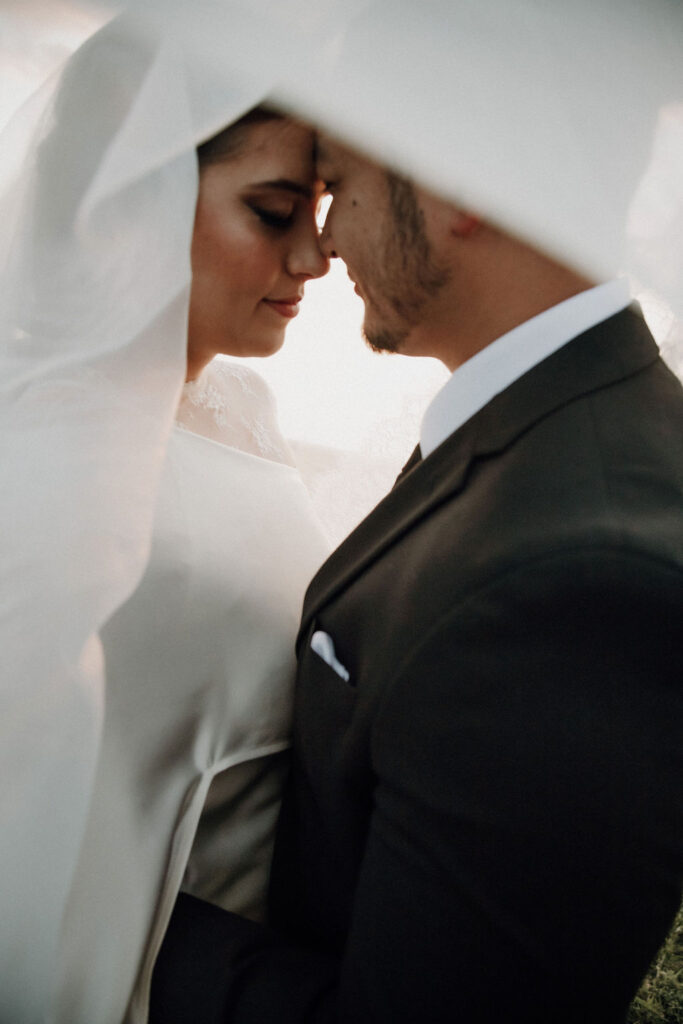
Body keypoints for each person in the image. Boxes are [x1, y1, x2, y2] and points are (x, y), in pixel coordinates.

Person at [149, 135, 683, 1022]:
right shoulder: (547, 427)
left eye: (342, 189)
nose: (329, 246)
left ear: (454, 182)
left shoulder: (592, 573)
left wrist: (101, 922)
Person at [0, 17, 332, 1023]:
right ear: (125, 199)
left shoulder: (245, 407)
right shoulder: (45, 460)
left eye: (316, 207)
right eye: (273, 210)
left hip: (252, 961)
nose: (314, 256)